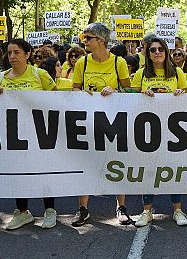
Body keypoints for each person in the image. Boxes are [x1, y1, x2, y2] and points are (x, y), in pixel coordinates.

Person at [0, 39, 59, 229]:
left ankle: (50, 211)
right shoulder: (1, 77)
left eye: (17, 52)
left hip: (39, 133)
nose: (12, 56)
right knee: (18, 172)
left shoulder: (40, 74)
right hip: (14, 134)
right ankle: (22, 212)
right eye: (9, 53)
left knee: (43, 171)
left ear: (27, 54)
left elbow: (57, 100)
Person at [71, 23, 132, 226]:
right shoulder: (82, 63)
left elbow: (129, 91)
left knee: (117, 162)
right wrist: (82, 93)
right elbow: (74, 90)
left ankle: (121, 207)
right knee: (85, 162)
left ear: (101, 40)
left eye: (88, 38)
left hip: (114, 120)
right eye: (84, 37)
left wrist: (115, 91)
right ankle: (83, 209)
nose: (84, 41)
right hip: (88, 121)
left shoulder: (118, 62)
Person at [130, 36, 187, 227]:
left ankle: (178, 210)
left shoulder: (177, 72)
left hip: (174, 131)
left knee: (174, 168)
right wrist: (141, 94)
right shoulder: (141, 74)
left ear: (166, 51)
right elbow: (130, 99)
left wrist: (182, 94)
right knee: (149, 170)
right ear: (147, 54)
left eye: (161, 49)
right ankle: (146, 211)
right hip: (148, 130)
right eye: (153, 50)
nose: (157, 52)